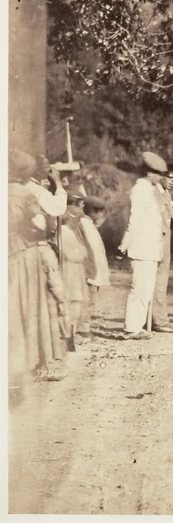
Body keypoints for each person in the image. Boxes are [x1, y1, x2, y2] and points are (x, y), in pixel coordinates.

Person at [9, 152, 69, 384]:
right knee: (41, 306)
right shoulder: (32, 192)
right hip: (32, 251)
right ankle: (44, 361)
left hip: (10, 253)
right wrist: (58, 185)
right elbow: (53, 212)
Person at [117, 152, 169, 340]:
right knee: (139, 289)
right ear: (148, 172)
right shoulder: (140, 190)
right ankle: (131, 328)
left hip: (149, 249)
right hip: (141, 248)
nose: (160, 177)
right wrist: (124, 245)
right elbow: (134, 221)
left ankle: (136, 326)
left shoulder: (149, 190)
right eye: (157, 173)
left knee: (145, 290)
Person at [58, 184, 92, 347]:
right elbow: (76, 254)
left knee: (76, 303)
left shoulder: (69, 230)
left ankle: (69, 335)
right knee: (71, 302)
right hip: (69, 271)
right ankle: (66, 337)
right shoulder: (65, 232)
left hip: (75, 271)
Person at [150, 162, 173, 333]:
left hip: (165, 239)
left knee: (162, 281)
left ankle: (159, 318)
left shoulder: (166, 194)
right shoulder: (153, 194)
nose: (172, 181)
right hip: (156, 241)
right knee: (158, 282)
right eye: (169, 177)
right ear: (161, 176)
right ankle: (159, 321)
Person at [78, 197, 110, 341]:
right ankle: (82, 329)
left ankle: (84, 328)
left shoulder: (89, 224)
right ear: (94, 212)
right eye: (100, 213)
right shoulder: (84, 224)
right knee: (87, 300)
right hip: (89, 270)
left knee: (90, 300)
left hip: (94, 269)